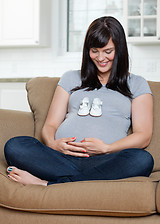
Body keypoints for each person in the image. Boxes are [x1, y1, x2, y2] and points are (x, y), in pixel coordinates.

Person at [4, 16, 154, 186]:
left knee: (142, 160)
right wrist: (54, 145)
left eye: (108, 51)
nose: (100, 58)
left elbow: (143, 136)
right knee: (16, 145)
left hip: (105, 161)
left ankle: (46, 184)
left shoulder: (136, 83)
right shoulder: (70, 78)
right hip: (61, 159)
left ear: (119, 49)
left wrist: (106, 148)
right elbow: (51, 125)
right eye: (94, 50)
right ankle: (80, 181)